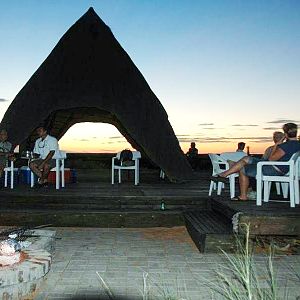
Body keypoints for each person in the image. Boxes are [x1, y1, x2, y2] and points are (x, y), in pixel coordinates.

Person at [213, 123, 300, 201]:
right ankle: (227, 172)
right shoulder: (297, 144)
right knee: (246, 158)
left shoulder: (286, 146)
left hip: (274, 169)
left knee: (242, 169)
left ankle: (243, 195)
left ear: (285, 134)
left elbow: (271, 159)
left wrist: (277, 144)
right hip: (280, 168)